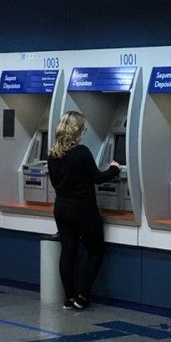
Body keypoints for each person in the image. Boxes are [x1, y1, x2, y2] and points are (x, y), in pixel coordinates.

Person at [46, 110, 119, 310]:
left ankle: (69, 298)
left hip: (62, 208)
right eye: (82, 129)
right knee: (95, 251)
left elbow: (56, 182)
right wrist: (114, 168)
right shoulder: (81, 152)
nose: (83, 132)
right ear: (76, 130)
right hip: (83, 210)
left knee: (68, 252)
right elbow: (98, 178)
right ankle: (82, 297)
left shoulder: (52, 154)